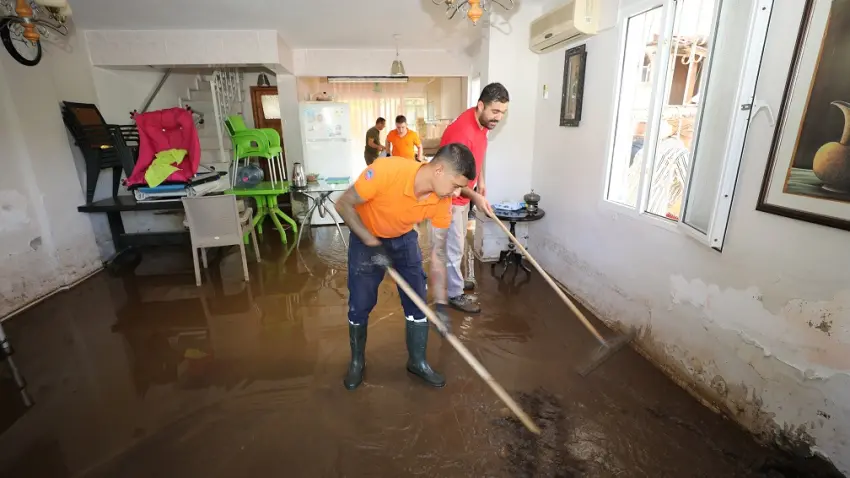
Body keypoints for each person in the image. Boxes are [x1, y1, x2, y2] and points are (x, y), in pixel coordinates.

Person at [334, 143, 488, 390]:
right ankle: (356, 361)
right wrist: (371, 243)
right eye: (456, 185)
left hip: (404, 239)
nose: (457, 193)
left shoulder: (441, 199)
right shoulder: (386, 171)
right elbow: (343, 204)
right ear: (438, 170)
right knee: (360, 303)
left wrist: (439, 302)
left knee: (417, 300)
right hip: (367, 237)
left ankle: (417, 361)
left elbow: (438, 254)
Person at [438, 82, 509, 314]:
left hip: (464, 192)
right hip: (449, 195)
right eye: (495, 111)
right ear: (481, 105)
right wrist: (475, 197)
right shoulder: (462, 132)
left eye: (503, 113)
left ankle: (455, 280)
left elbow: (477, 156)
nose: (498, 118)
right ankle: (454, 293)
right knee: (455, 245)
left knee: (458, 243)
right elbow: (450, 178)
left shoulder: (482, 123)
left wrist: (481, 181)